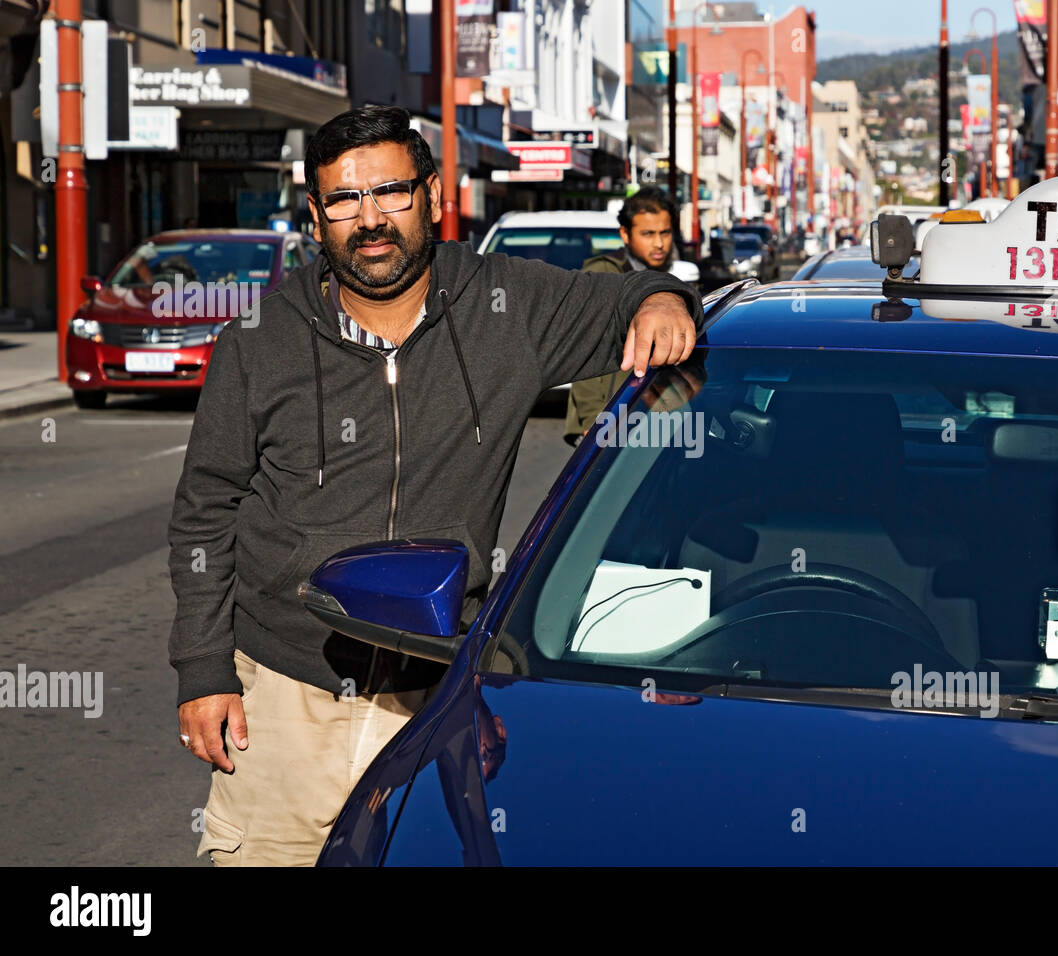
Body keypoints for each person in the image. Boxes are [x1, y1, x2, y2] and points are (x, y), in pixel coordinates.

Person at [168, 105, 702, 866]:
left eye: (390, 192)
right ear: (317, 216)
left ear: (433, 196)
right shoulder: (260, 342)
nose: (370, 219)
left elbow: (632, 296)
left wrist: (660, 300)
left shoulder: (506, 307)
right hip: (283, 697)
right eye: (345, 201)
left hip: (439, 698)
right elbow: (204, 514)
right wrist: (202, 671)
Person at [563, 187, 681, 445]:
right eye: (648, 234)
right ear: (625, 235)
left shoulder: (679, 276)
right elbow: (585, 348)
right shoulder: (605, 275)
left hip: (661, 415)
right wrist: (593, 420)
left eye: (665, 233)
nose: (659, 243)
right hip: (610, 415)